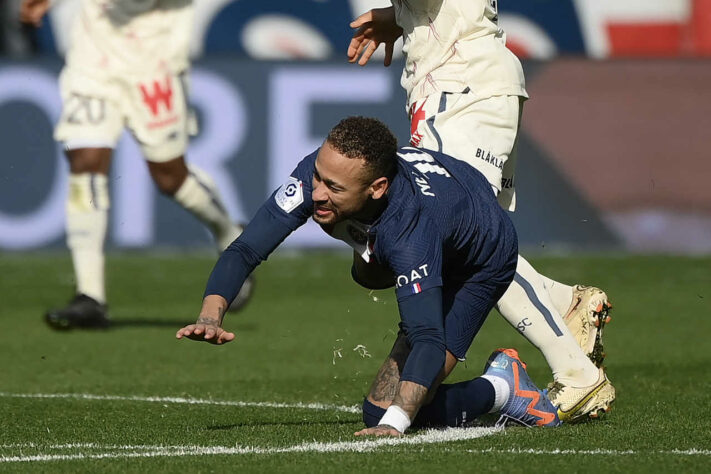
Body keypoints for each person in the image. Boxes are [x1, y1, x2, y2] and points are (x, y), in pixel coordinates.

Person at [176, 116, 561, 435]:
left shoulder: (410, 232)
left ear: (378, 188)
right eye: (318, 178)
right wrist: (211, 315)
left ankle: (502, 388)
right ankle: (372, 254)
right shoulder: (320, 173)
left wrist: (394, 425)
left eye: (334, 187)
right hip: (425, 220)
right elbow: (245, 248)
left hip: (479, 261)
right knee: (374, 281)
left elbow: (428, 337)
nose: (318, 194)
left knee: (388, 415)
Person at [346, 1, 614, 422]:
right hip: (477, 81)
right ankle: (567, 304)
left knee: (471, 244)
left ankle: (577, 373)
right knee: (476, 239)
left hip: (460, 92)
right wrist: (401, 15)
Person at [19, 0, 252, 329]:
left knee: (169, 177)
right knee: (85, 161)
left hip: (155, 53)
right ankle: (90, 297)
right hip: (94, 52)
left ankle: (229, 234)